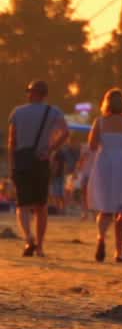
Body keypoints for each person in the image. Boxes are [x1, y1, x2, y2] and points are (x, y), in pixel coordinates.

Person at [7, 80, 70, 257]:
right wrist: (50, 149)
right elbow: (65, 132)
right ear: (44, 95)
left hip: (22, 159)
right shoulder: (53, 111)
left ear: (31, 94)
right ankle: (40, 247)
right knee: (41, 205)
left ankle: (29, 239)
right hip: (41, 160)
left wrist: (13, 164)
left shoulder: (17, 113)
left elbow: (12, 141)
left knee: (23, 204)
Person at [87, 88, 122, 263]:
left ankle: (101, 237)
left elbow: (92, 146)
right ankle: (119, 251)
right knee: (121, 209)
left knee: (105, 207)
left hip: (103, 165)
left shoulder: (99, 122)